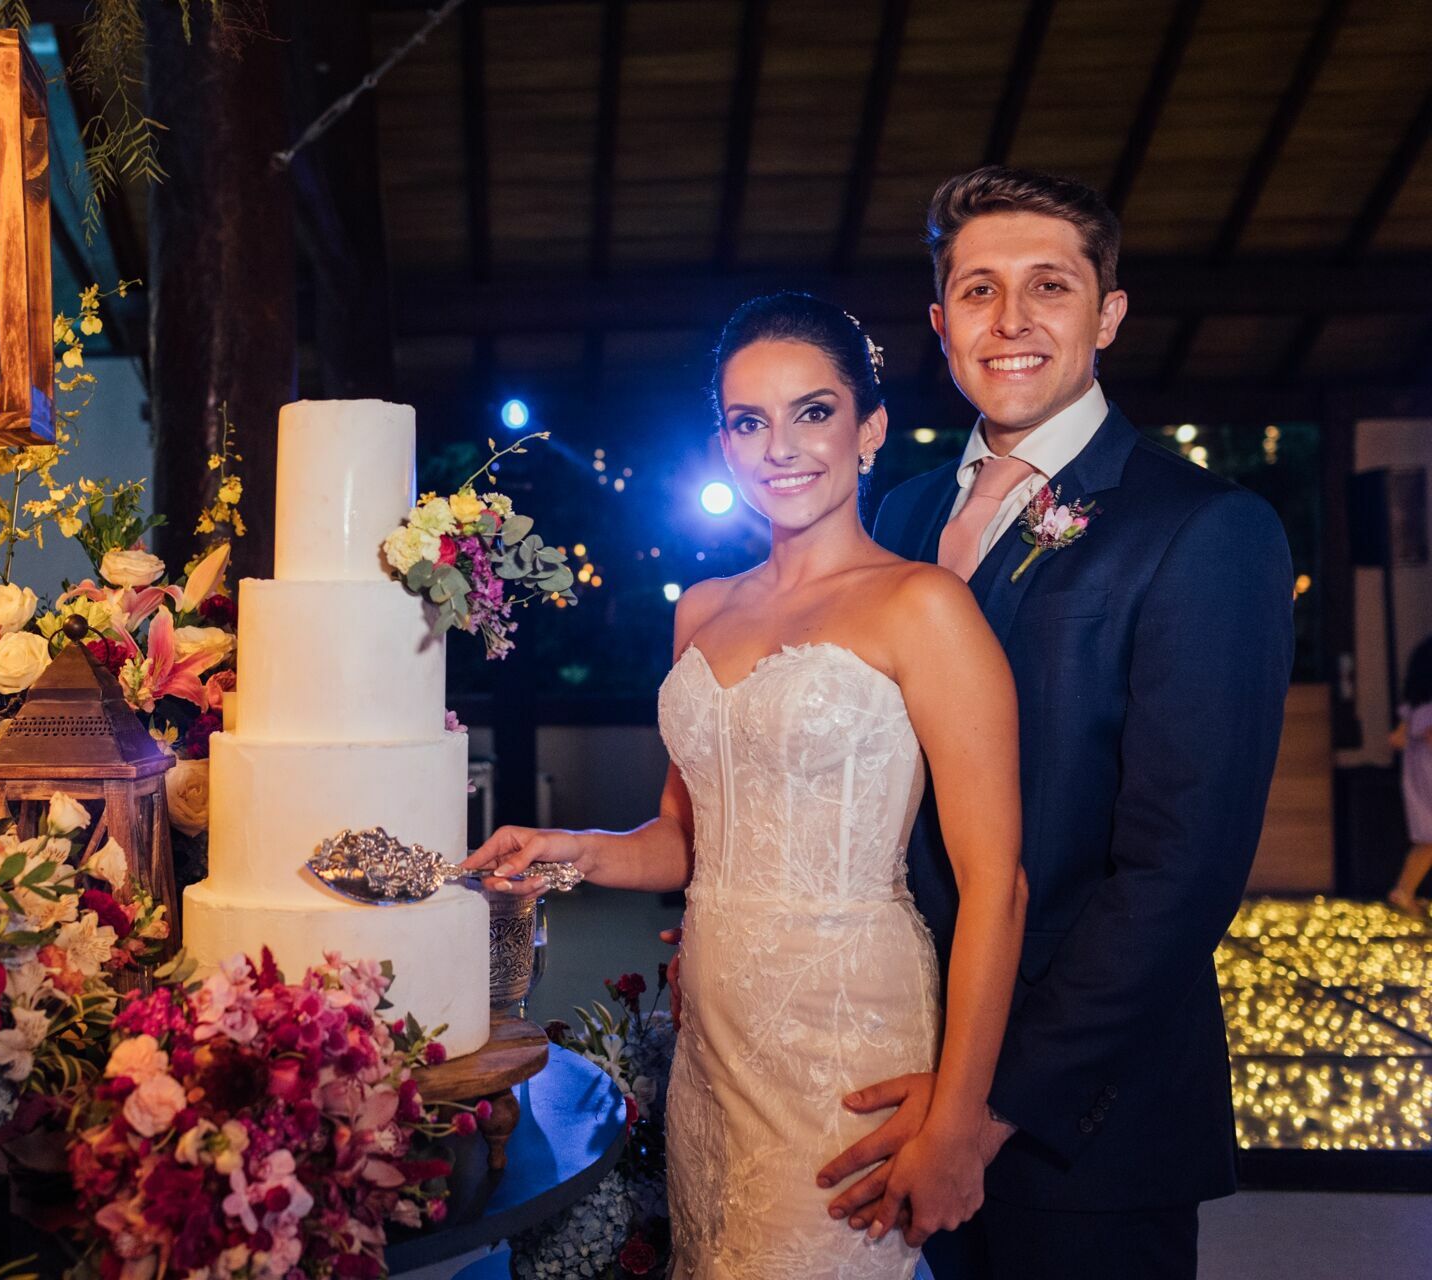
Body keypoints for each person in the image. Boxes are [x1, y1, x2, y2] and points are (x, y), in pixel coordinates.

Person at [462, 292, 1028, 1278]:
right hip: (713, 1040)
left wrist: (958, 1119)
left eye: (813, 411)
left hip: (847, 1032)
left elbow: (997, 885)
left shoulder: (922, 605)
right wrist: (567, 850)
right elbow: (689, 840)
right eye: (749, 421)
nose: (782, 447)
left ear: (870, 429)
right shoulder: (702, 610)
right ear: (724, 445)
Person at [820, 166, 1294, 1280]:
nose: (1012, 319)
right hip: (889, 1066)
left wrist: (985, 1107)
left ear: (1108, 314)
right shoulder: (901, 514)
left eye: (1050, 285)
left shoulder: (1205, 529)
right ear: (942, 324)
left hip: (1082, 1120)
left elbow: (1180, 872)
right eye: (979, 290)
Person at [1387, 635, 1432, 915]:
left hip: (1417, 777)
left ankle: (1403, 891)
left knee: (1427, 840)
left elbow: (1396, 739)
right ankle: (1403, 892)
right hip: (1427, 778)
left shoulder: (1416, 707)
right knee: (1428, 840)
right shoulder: (1427, 709)